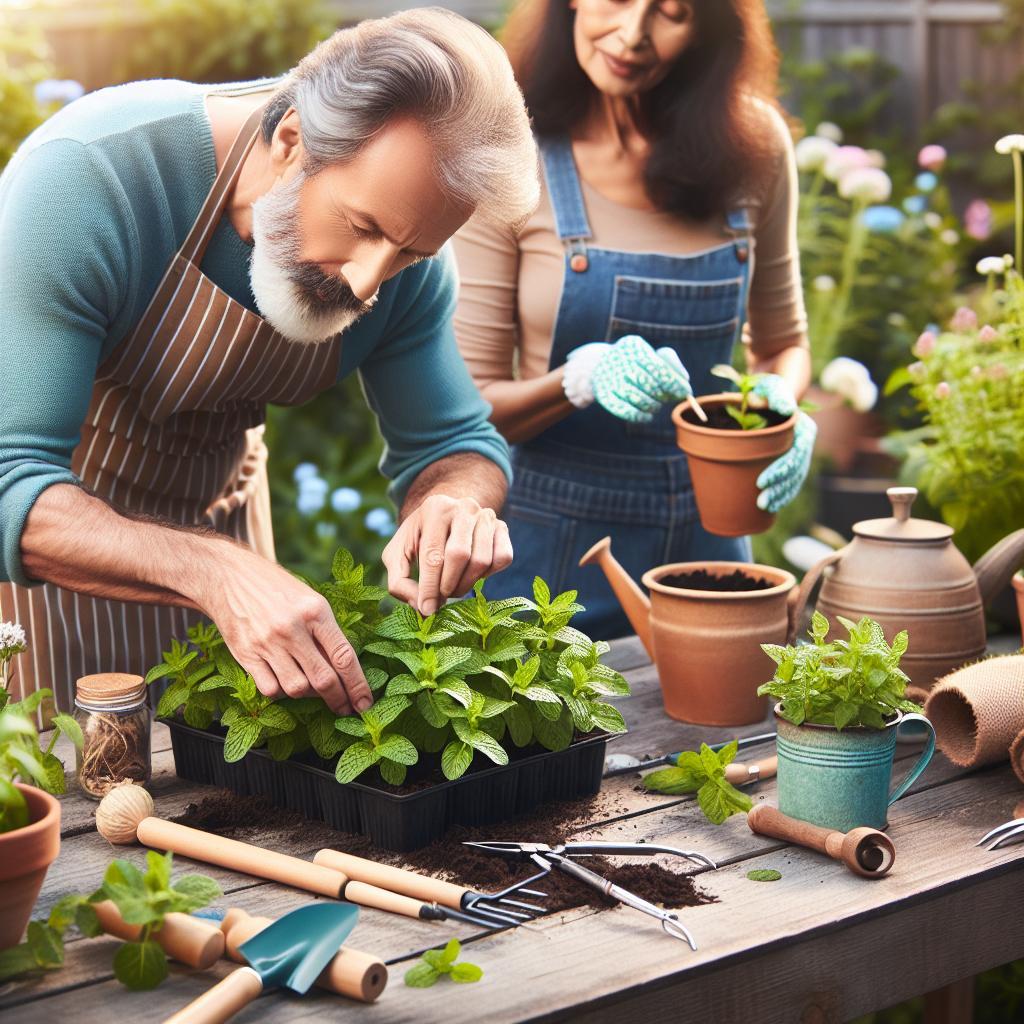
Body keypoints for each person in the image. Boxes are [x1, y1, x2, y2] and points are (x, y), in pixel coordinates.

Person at [0, 8, 540, 716]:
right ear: (291, 139)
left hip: (231, 551)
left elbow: (455, 442)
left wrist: (454, 501)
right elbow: (11, 480)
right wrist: (214, 569)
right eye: (364, 228)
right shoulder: (91, 180)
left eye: (410, 252)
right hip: (41, 587)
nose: (369, 283)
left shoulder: (402, 266)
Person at [452, 0, 813, 638]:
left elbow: (784, 343)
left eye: (671, 12)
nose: (632, 34)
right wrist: (575, 380)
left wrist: (783, 404)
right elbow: (471, 408)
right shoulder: (510, 154)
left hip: (711, 546)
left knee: (721, 734)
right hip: (546, 560)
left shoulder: (753, 146)